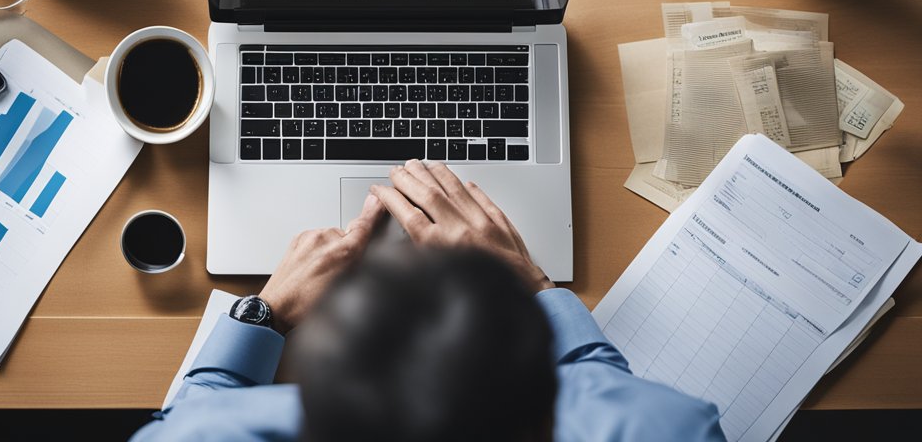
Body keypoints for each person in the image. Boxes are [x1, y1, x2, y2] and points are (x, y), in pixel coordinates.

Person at [131, 159, 725, 442]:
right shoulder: (672, 430)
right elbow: (606, 390)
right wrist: (533, 284)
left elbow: (190, 420)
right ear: (550, 413)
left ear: (306, 406)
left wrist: (267, 313)